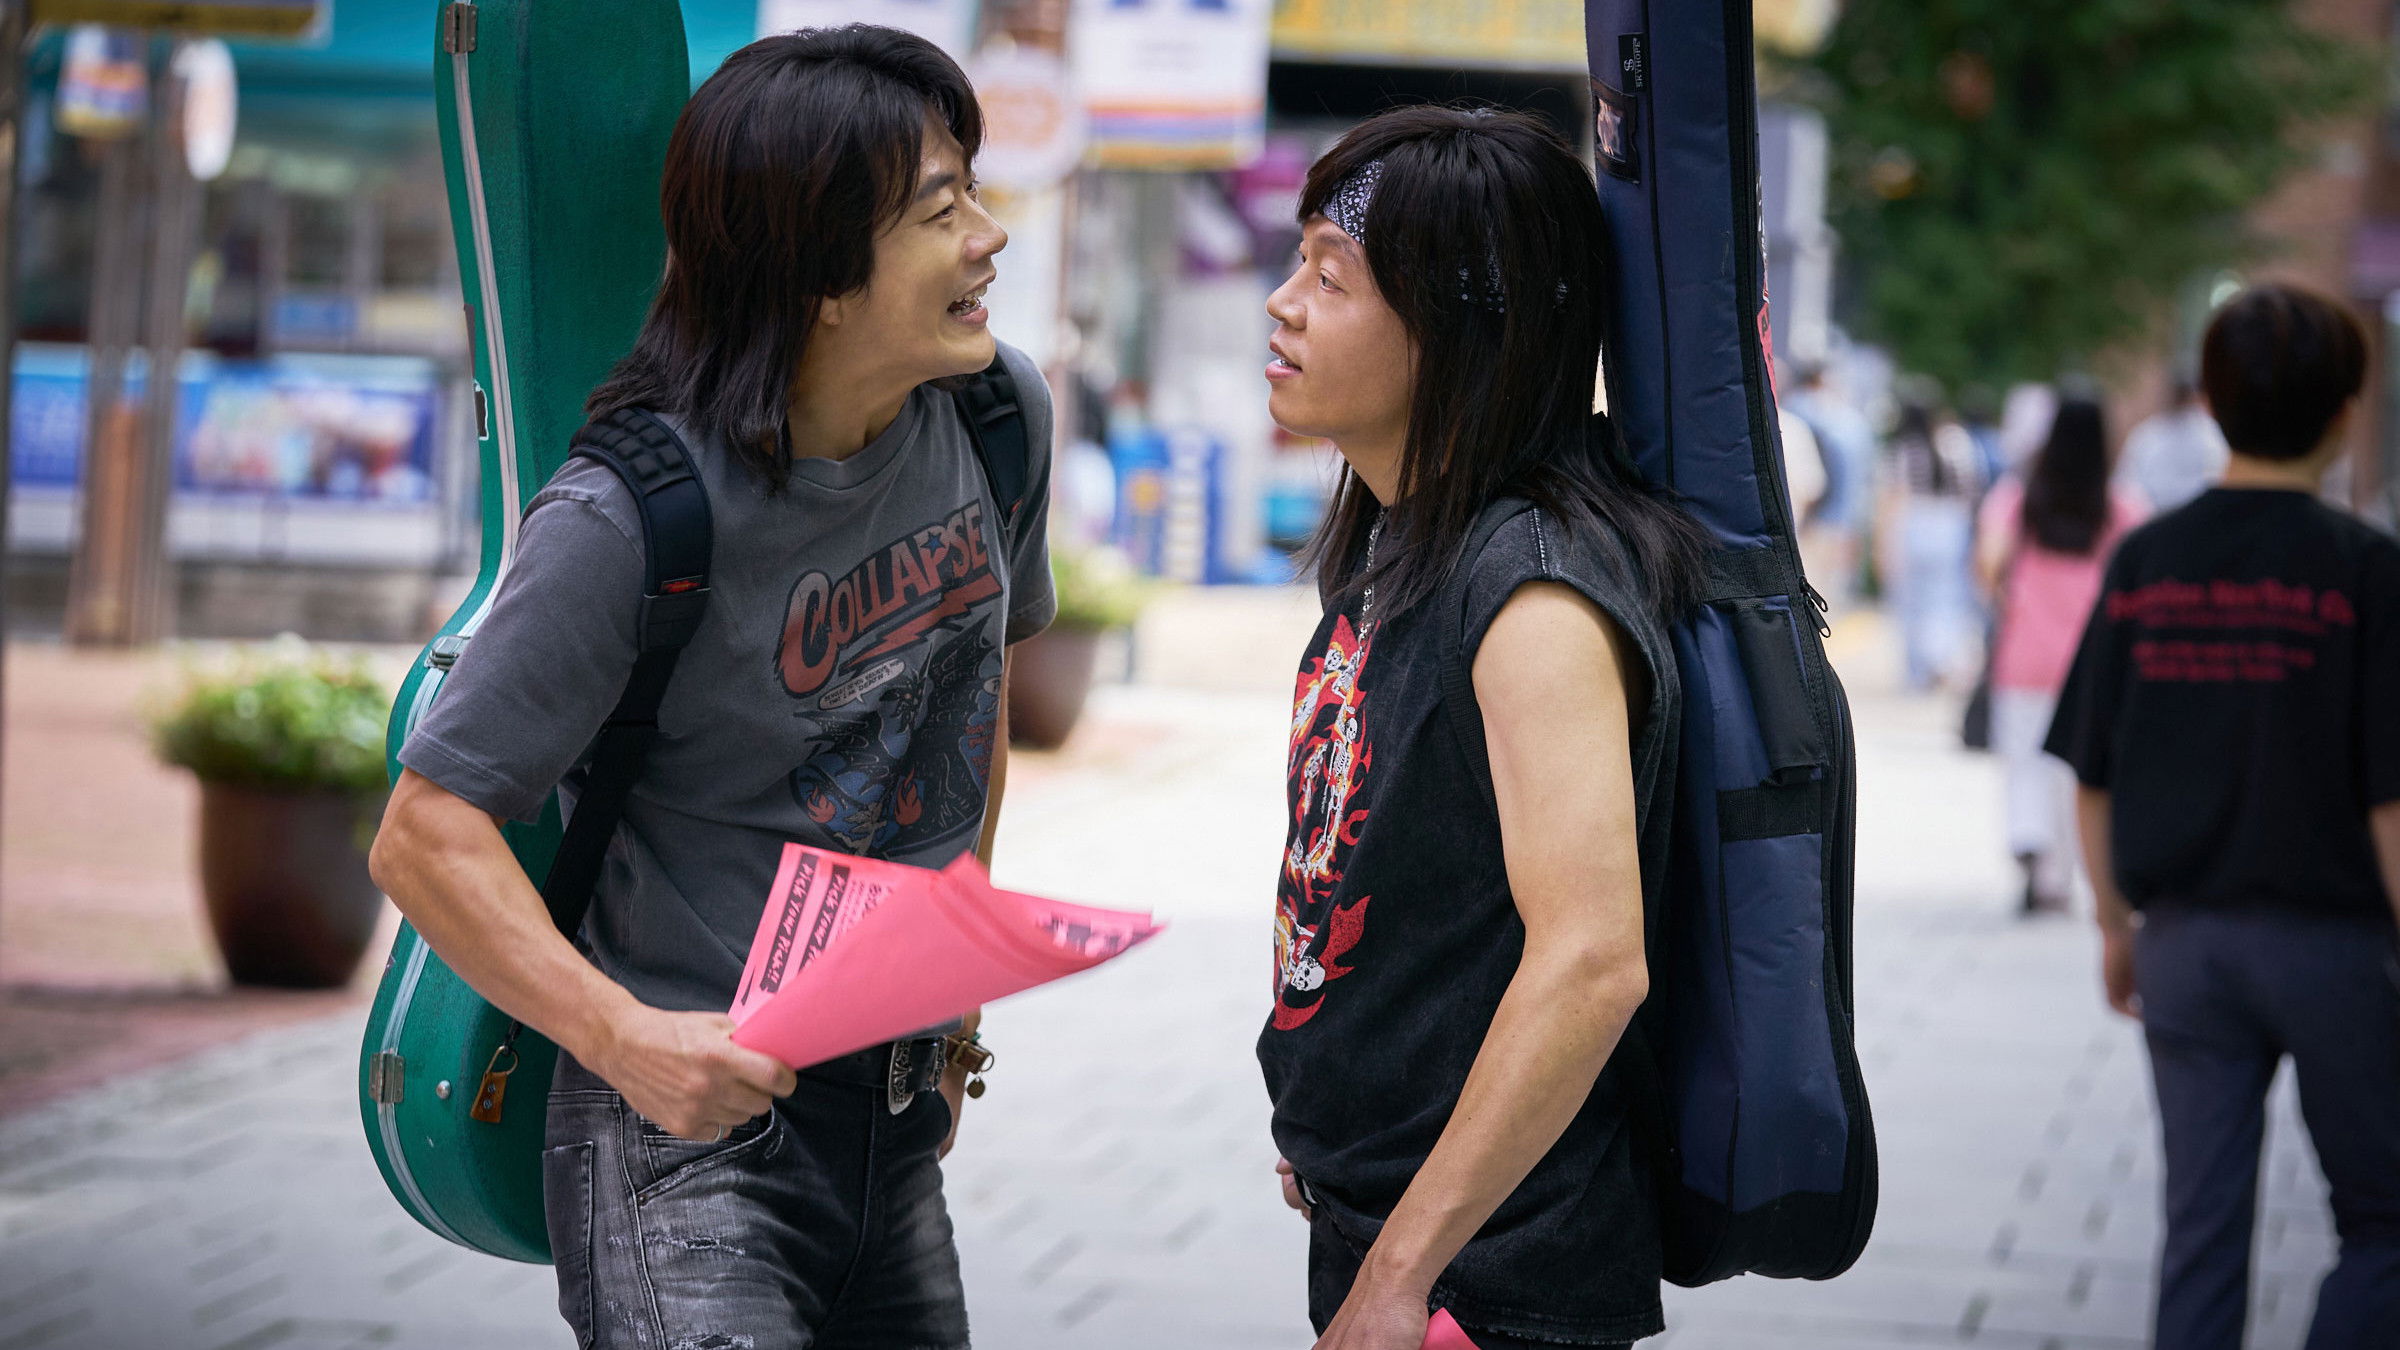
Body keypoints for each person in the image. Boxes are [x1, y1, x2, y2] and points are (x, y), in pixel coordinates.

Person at [368, 27, 1054, 1350]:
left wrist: (953, 996)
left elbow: (976, 702)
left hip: (893, 1112)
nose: (989, 237)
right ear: (818, 272)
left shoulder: (993, 419)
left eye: (972, 192)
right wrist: (623, 1039)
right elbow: (424, 834)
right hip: (682, 1132)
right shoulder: (632, 515)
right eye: (940, 210)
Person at [1255, 105, 1710, 1350]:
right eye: (1297, 261)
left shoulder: (1532, 595)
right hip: (1399, 1231)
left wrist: (1402, 1272)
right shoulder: (1405, 543)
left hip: (1487, 1285)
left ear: (1462, 325)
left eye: (1330, 277)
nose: (1283, 304)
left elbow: (1593, 960)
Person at [2045, 283, 2400, 1350]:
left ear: (2213, 403)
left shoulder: (2147, 561)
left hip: (2186, 947)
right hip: (2335, 949)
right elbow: (2391, 798)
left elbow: (2092, 773)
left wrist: (2115, 926)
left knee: (2200, 1231)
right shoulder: (2367, 570)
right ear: (2346, 410)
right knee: (2385, 1223)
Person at [1974, 394, 2145, 915]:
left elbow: (1989, 561)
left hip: (2025, 653)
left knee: (2025, 760)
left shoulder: (2018, 496)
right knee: (2074, 769)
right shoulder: (2121, 505)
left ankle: (2029, 838)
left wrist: (2005, 601)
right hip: (2092, 658)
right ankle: (2056, 879)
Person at [1878, 398, 1986, 690]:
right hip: (1951, 524)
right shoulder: (1956, 443)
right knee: (1944, 598)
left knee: (1910, 601)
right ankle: (1940, 658)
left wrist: (1883, 545)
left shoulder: (1904, 450)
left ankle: (1916, 670)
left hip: (1914, 522)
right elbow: (1973, 491)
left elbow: (1891, 498)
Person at [2115, 377, 2229, 513]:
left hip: (2198, 513)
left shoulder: (2208, 433)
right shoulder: (2148, 435)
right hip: (2156, 515)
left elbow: (2218, 475)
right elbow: (2127, 485)